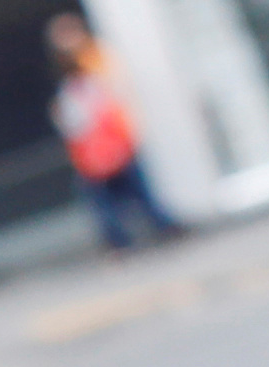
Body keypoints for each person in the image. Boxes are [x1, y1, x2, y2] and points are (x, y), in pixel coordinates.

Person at [47, 15, 180, 252]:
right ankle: (131, 236)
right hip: (102, 148)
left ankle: (147, 230)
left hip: (112, 141)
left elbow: (107, 98)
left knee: (129, 190)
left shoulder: (93, 60)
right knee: (115, 195)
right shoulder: (75, 74)